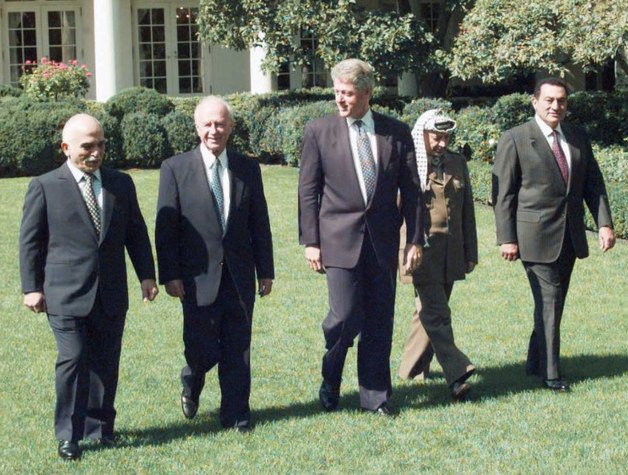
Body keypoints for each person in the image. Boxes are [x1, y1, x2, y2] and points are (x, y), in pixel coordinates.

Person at [19, 113, 158, 461]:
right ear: (66, 148)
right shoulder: (45, 186)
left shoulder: (120, 184)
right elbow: (30, 243)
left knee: (106, 362)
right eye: (87, 146)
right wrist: (31, 288)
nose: (96, 153)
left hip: (110, 292)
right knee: (74, 358)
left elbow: (136, 233)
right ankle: (69, 434)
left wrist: (146, 275)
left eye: (101, 145)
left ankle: (100, 427)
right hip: (64, 293)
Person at [298, 58, 424, 415]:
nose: (340, 100)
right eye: (337, 92)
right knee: (344, 317)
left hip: (382, 241)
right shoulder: (319, 132)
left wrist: (414, 239)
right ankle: (331, 376)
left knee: (379, 320)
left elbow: (412, 191)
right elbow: (308, 192)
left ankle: (375, 397)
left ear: (367, 94)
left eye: (348, 94)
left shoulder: (395, 132)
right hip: (337, 240)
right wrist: (311, 241)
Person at [156, 96, 274, 432]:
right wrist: (170, 275)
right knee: (200, 346)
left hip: (238, 275)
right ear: (197, 127)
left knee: (238, 346)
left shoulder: (247, 168)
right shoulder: (175, 169)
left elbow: (259, 223)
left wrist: (265, 270)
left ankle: (236, 414)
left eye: (220, 123)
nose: (214, 130)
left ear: (231, 127)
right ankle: (192, 381)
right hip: (196, 278)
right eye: (207, 124)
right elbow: (166, 230)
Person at [492, 77, 616, 392]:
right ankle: (551, 375)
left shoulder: (577, 137)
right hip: (533, 237)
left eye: (560, 100)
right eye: (548, 100)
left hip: (570, 237)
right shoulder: (516, 138)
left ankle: (535, 362)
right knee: (549, 301)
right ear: (535, 102)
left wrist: (604, 223)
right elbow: (503, 194)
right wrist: (506, 238)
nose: (555, 106)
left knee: (553, 304)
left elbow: (593, 183)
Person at [398, 109, 478, 401]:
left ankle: (410, 371)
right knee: (437, 313)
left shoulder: (457, 162)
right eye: (437, 137)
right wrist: (407, 247)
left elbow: (467, 209)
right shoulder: (407, 164)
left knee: (428, 314)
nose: (442, 143)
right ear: (422, 135)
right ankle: (458, 373)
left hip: (451, 252)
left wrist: (471, 251)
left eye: (446, 137)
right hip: (420, 251)